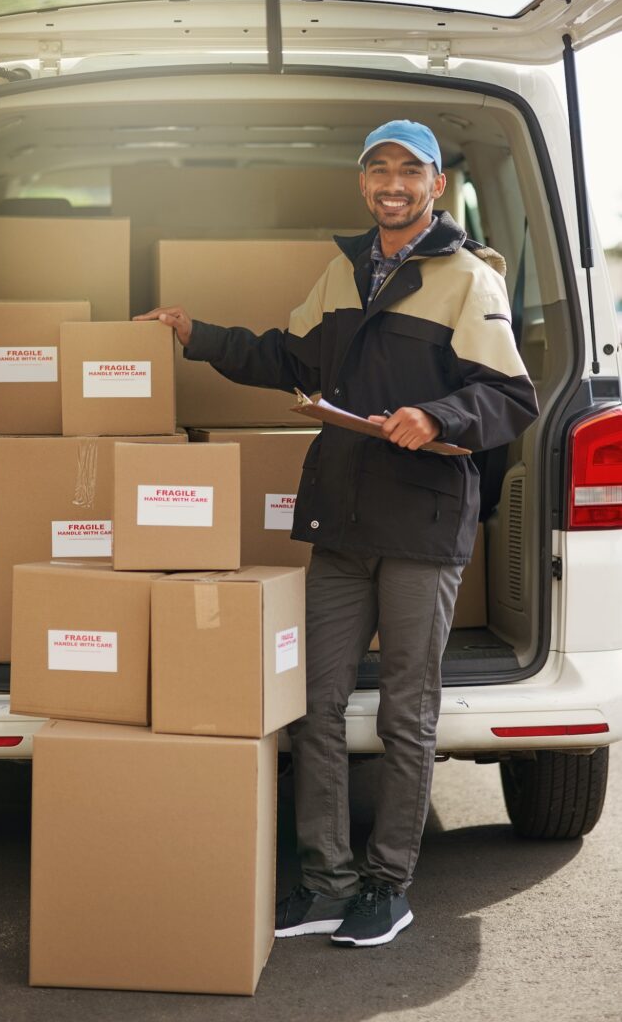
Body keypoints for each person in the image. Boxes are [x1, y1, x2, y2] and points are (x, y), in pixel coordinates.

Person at [135, 119, 539, 948]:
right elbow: (293, 357)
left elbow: (509, 397)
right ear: (363, 182)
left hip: (422, 526)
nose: (393, 183)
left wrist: (434, 416)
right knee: (314, 705)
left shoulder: (466, 279)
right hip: (341, 519)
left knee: (405, 710)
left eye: (410, 170)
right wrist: (197, 336)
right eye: (378, 169)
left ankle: (387, 885)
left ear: (435, 183)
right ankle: (326, 879)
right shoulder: (343, 270)